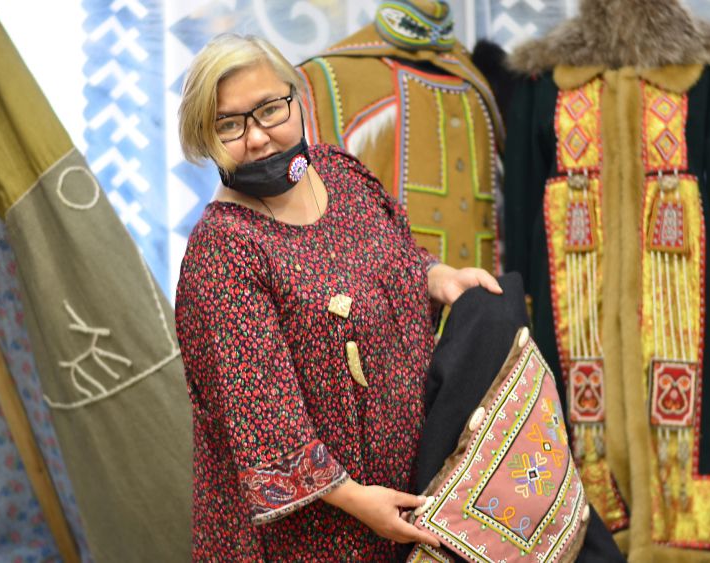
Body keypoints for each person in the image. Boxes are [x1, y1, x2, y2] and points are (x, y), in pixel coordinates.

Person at [174, 33, 502, 561]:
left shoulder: (338, 174)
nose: (257, 137)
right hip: (311, 537)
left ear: (295, 98)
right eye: (229, 125)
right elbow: (265, 419)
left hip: (397, 502)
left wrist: (437, 276)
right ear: (204, 139)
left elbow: (393, 256)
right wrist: (356, 500)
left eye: (269, 109)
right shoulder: (225, 251)